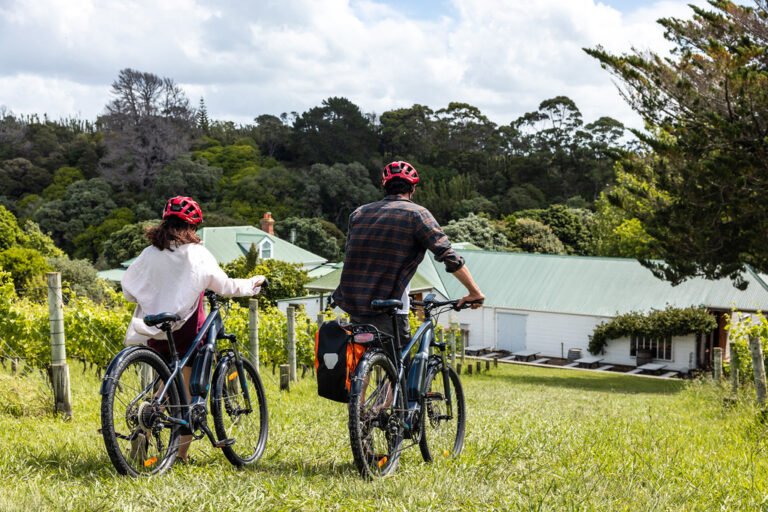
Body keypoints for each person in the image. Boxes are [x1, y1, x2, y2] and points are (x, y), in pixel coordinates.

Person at [121, 196, 265, 463]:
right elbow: (224, 286)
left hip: (155, 330)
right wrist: (252, 284)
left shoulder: (150, 253)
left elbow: (129, 288)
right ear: (193, 227)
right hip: (185, 329)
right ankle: (181, 455)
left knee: (166, 386)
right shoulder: (197, 254)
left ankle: (144, 431)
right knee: (186, 395)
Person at [332, 160, 485, 346]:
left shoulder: (358, 214)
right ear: (412, 188)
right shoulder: (417, 214)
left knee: (361, 356)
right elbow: (448, 256)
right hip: (388, 305)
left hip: (354, 301)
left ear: (384, 186)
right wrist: (474, 292)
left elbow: (351, 254)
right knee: (399, 366)